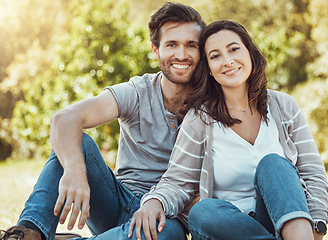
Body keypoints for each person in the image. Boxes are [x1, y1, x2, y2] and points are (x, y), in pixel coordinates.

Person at [1, 2, 206, 240]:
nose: (181, 54)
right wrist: (75, 171)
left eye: (191, 45)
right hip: (116, 202)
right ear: (155, 49)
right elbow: (64, 119)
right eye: (172, 44)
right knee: (78, 143)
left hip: (167, 217)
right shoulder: (137, 92)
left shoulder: (211, 107)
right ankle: (29, 233)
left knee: (163, 237)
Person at [134, 20, 328, 240]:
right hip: (227, 229)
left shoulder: (284, 106)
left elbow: (313, 172)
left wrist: (318, 227)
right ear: (208, 69)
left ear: (250, 52)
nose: (227, 61)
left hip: (287, 226)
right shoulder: (199, 119)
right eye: (215, 56)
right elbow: (178, 181)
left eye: (234, 49)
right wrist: (154, 200)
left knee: (274, 164)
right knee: (202, 211)